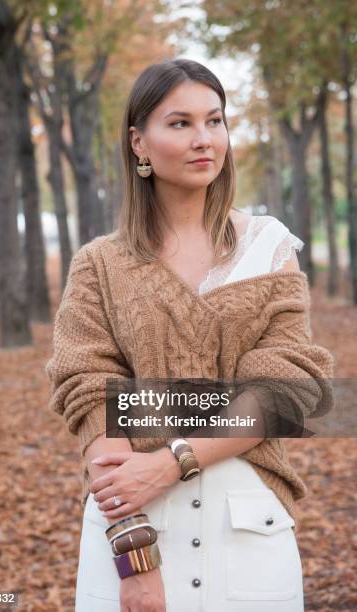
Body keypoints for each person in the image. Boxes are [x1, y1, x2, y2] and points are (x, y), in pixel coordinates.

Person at [45, 59, 334, 612]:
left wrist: (168, 457)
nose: (204, 139)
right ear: (139, 142)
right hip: (129, 532)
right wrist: (135, 561)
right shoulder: (99, 266)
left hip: (250, 530)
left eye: (215, 120)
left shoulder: (267, 248)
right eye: (180, 123)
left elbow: (286, 391)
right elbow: (91, 398)